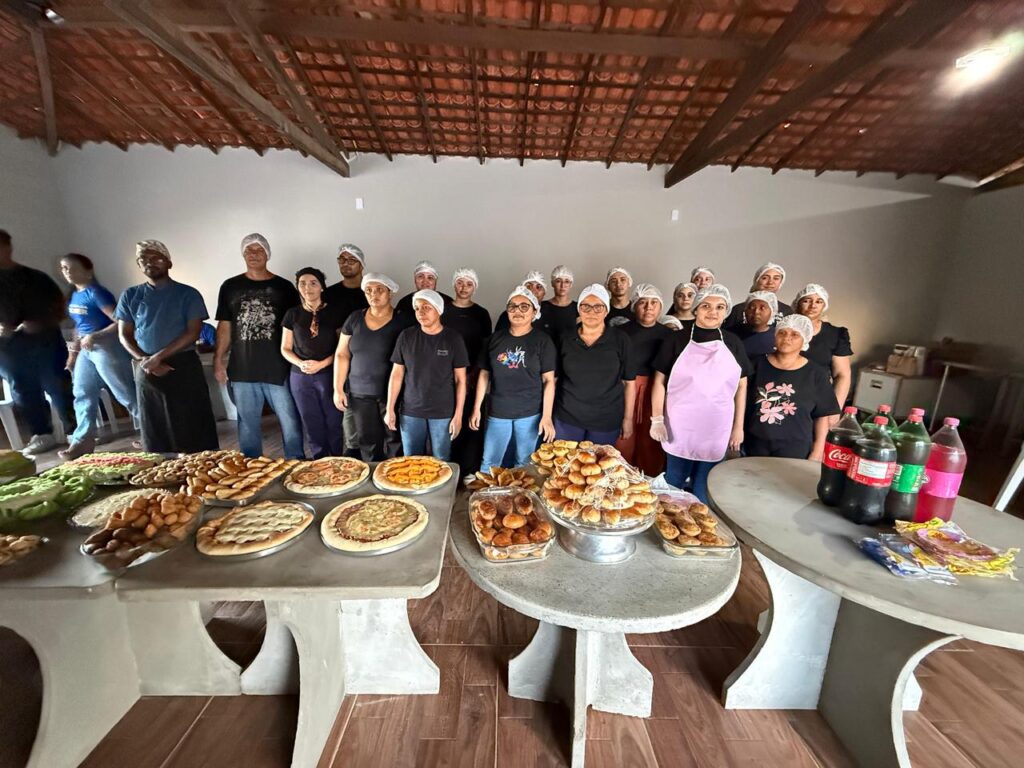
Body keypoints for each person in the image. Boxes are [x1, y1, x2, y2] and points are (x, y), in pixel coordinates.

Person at [116, 240, 218, 453]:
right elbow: (124, 335)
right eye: (143, 259)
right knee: (155, 428)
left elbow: (193, 332)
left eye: (156, 258)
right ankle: (164, 468)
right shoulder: (131, 295)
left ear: (169, 263)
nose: (149, 262)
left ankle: (200, 467)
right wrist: (146, 360)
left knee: (192, 426)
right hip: (146, 366)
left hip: (183, 365)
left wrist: (158, 358)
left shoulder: (188, 294)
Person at [650, 285, 750, 503]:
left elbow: (741, 386)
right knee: (674, 481)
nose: (713, 312)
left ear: (726, 311)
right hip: (680, 425)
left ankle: (699, 524)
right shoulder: (676, 340)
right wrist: (657, 419)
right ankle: (669, 522)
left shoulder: (733, 343)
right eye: (706, 306)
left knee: (704, 487)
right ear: (696, 309)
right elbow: (659, 382)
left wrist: (738, 427)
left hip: (716, 427)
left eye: (720, 307)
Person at [213, 234, 303, 459]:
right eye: (249, 250)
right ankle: (252, 466)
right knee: (247, 424)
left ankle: (296, 464)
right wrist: (218, 360)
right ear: (243, 255)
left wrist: (299, 361)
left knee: (290, 420)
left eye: (259, 249)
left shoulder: (284, 287)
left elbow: (296, 326)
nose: (253, 254)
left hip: (279, 368)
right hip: (242, 369)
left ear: (267, 254)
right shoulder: (230, 286)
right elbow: (224, 326)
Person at [58, 254, 139, 459]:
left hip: (107, 347)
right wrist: (73, 355)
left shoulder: (97, 293)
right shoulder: (74, 295)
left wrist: (97, 335)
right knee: (82, 392)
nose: (67, 272)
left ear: (88, 271)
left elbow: (120, 321)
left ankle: (151, 431)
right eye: (64, 268)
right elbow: (79, 327)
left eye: (73, 268)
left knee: (124, 393)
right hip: (86, 350)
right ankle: (82, 440)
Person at [0, 230, 72, 454]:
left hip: (46, 343)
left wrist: (41, 323)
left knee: (59, 385)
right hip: (9, 349)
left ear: (7, 247)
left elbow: (60, 309)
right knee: (22, 389)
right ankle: (41, 434)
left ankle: (75, 430)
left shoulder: (36, 278)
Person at [470, 285, 557, 470]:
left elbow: (549, 380)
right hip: (498, 411)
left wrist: (547, 416)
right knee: (490, 462)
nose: (518, 311)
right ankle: (488, 490)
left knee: (525, 463)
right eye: (512, 306)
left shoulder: (543, 341)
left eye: (524, 306)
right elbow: (484, 375)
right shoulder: (494, 339)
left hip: (530, 413)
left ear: (534, 312)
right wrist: (476, 408)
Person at [334, 273, 411, 461]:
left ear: (390, 293)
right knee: (367, 441)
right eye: (369, 290)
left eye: (379, 290)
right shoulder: (354, 319)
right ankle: (373, 473)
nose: (373, 294)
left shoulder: (404, 320)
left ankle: (396, 474)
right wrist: (338, 389)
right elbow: (342, 354)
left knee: (395, 440)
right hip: (360, 393)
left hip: (392, 393)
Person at [386, 289, 468, 460]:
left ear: (439, 310)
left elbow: (461, 380)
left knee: (441, 461)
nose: (421, 312)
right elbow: (397, 374)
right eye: (417, 308)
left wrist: (458, 415)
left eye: (426, 307)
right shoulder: (406, 336)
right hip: (411, 411)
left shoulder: (453, 338)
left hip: (443, 412)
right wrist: (390, 409)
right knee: (411, 461)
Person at [744, 314, 840, 460]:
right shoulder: (755, 365)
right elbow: (740, 401)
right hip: (755, 443)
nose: (787, 338)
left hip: (796, 447)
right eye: (782, 333)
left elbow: (822, 416)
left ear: (805, 340)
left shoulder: (816, 374)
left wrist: (817, 451)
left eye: (795, 334)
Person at [554, 284, 636, 444]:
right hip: (568, 417)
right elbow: (554, 379)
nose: (591, 312)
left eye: (598, 307)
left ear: (606, 310)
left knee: (599, 460)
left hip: (606, 420)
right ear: (579, 309)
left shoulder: (621, 340)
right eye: (585, 306)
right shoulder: (565, 338)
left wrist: (628, 419)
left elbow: (629, 383)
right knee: (565, 460)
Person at [281, 268, 345, 458]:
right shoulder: (292, 314)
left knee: (334, 420)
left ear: (322, 287)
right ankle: (320, 460)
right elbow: (285, 348)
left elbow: (342, 349)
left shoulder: (335, 312)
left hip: (329, 374)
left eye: (313, 283)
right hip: (300, 377)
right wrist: (300, 363)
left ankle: (338, 460)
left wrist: (322, 364)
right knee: (310, 421)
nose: (307, 288)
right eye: (302, 284)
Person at [616, 283, 673, 476]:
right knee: (624, 437)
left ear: (661, 307)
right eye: (643, 302)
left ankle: (649, 480)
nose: (649, 307)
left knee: (651, 440)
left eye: (654, 303)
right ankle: (621, 478)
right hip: (625, 389)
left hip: (656, 391)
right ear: (634, 306)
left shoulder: (669, 336)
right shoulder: (620, 333)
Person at [444, 268, 492, 475]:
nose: (464, 288)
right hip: (445, 379)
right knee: (447, 423)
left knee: (470, 422)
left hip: (472, 377)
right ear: (454, 284)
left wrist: (474, 373)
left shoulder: (481, 314)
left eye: (469, 284)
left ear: (475, 287)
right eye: (460, 283)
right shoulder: (442, 310)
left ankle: (468, 471)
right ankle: (447, 469)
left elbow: (486, 347)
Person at [793, 283, 853, 409]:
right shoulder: (784, 332)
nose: (813, 305)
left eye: (819, 301)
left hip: (818, 399)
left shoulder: (835, 334)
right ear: (797, 303)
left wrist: (834, 410)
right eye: (807, 300)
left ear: (824, 305)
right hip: (786, 395)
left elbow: (842, 375)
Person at [724, 262, 792, 330]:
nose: (770, 282)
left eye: (776, 278)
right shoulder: (738, 310)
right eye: (765, 278)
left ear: (781, 282)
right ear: (757, 280)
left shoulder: (786, 310)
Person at [323, 243, 370, 321]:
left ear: (361, 266)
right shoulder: (328, 294)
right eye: (342, 260)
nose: (345, 263)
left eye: (351, 260)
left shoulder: (372, 292)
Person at [734, 291, 779, 359]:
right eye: (751, 308)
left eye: (762, 308)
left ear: (772, 312)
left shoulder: (778, 336)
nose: (756, 312)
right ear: (745, 310)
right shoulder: (731, 334)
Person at [541, 265, 578, 344]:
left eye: (567, 281)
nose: (562, 285)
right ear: (552, 283)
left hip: (570, 351)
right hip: (545, 350)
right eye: (558, 281)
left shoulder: (578, 308)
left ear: (571, 284)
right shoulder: (542, 307)